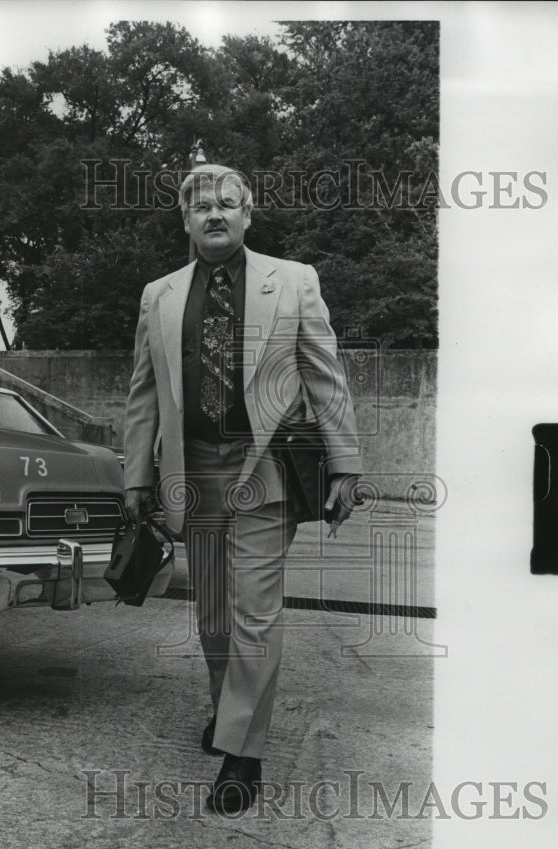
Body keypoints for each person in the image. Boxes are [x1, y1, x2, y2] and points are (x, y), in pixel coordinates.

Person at [123, 163, 362, 814]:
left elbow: (325, 377)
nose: (216, 213)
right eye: (202, 206)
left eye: (229, 203)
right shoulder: (159, 296)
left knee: (254, 613)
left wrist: (346, 464)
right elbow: (145, 394)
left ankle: (242, 753)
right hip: (190, 471)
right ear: (187, 221)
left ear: (249, 214)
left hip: (263, 471)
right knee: (213, 615)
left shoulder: (294, 284)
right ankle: (230, 712)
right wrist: (137, 476)